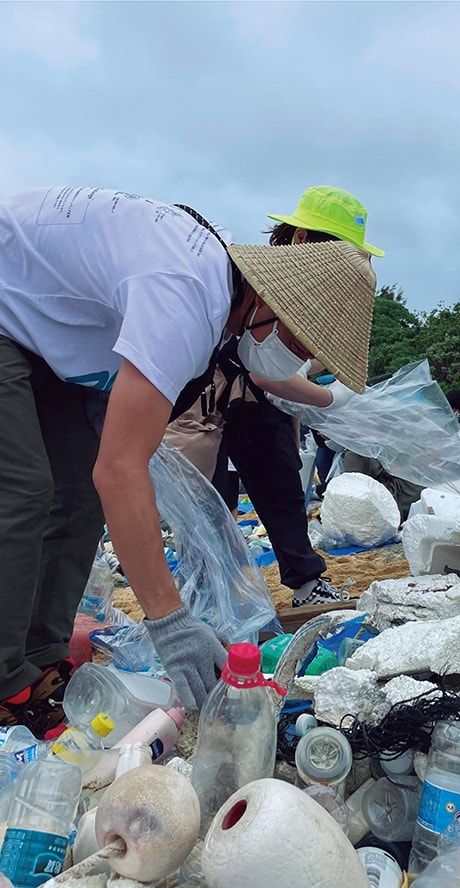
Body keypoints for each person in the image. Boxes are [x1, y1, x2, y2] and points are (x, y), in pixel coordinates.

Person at [0, 185, 376, 728]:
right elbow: (121, 469)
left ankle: (40, 661)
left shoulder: (224, 294)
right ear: (273, 303)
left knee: (78, 495)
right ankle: (7, 681)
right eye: (299, 344)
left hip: (43, 334)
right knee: (24, 490)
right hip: (11, 309)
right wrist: (170, 622)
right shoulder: (186, 297)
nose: (298, 358)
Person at [214, 187, 384, 608]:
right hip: (210, 406)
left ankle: (306, 584)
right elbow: (260, 368)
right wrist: (328, 398)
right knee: (211, 501)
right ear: (302, 240)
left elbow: (276, 366)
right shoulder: (246, 282)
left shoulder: (310, 297)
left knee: (283, 490)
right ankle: (216, 596)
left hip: (260, 411)